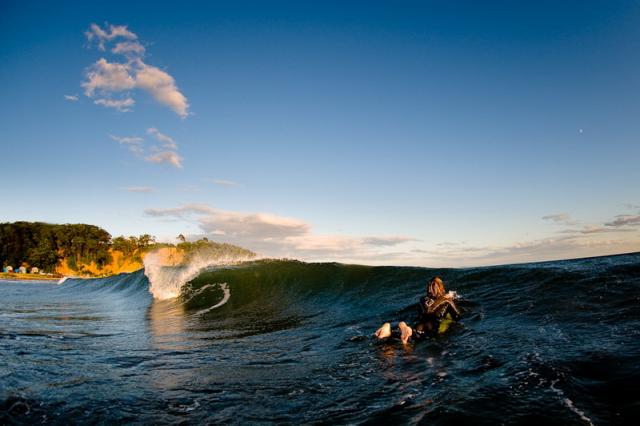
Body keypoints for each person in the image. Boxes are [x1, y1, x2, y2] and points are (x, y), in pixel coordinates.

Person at [374, 276, 461, 344]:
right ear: (441, 287)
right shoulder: (447, 301)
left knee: (398, 334)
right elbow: (457, 316)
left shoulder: (422, 300)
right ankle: (406, 329)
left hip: (418, 325)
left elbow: (420, 315)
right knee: (415, 336)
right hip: (430, 327)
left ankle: (392, 326)